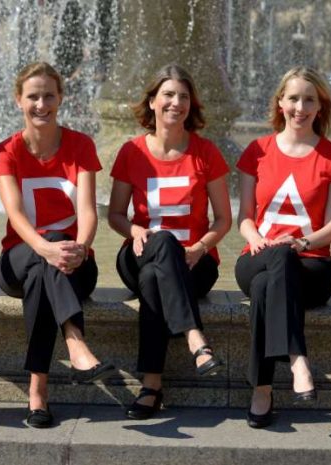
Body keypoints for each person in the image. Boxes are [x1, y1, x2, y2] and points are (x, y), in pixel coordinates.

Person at [0, 62, 115, 428]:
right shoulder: (7, 151)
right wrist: (47, 248)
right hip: (16, 257)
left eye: (49, 95)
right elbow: (15, 215)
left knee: (43, 273)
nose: (41, 104)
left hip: (75, 262)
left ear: (60, 98)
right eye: (33, 96)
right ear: (19, 101)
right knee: (44, 253)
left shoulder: (81, 145)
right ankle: (75, 342)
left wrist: (82, 245)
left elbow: (89, 212)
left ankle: (38, 392)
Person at [108, 64, 232, 420]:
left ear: (191, 104)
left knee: (153, 279)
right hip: (138, 253)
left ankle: (151, 386)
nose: (175, 102)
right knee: (160, 242)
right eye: (168, 95)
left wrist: (200, 247)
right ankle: (195, 337)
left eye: (183, 96)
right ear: (151, 102)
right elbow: (116, 215)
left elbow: (224, 219)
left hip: (194, 262)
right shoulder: (131, 152)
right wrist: (134, 231)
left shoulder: (206, 153)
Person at [235, 66, 331, 429]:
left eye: (309, 100)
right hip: (257, 256)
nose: (300, 107)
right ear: (280, 103)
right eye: (293, 98)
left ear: (321, 106)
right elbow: (244, 218)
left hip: (312, 267)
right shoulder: (257, 151)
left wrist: (299, 242)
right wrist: (258, 240)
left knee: (264, 287)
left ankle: (263, 390)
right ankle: (298, 358)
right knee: (272, 264)